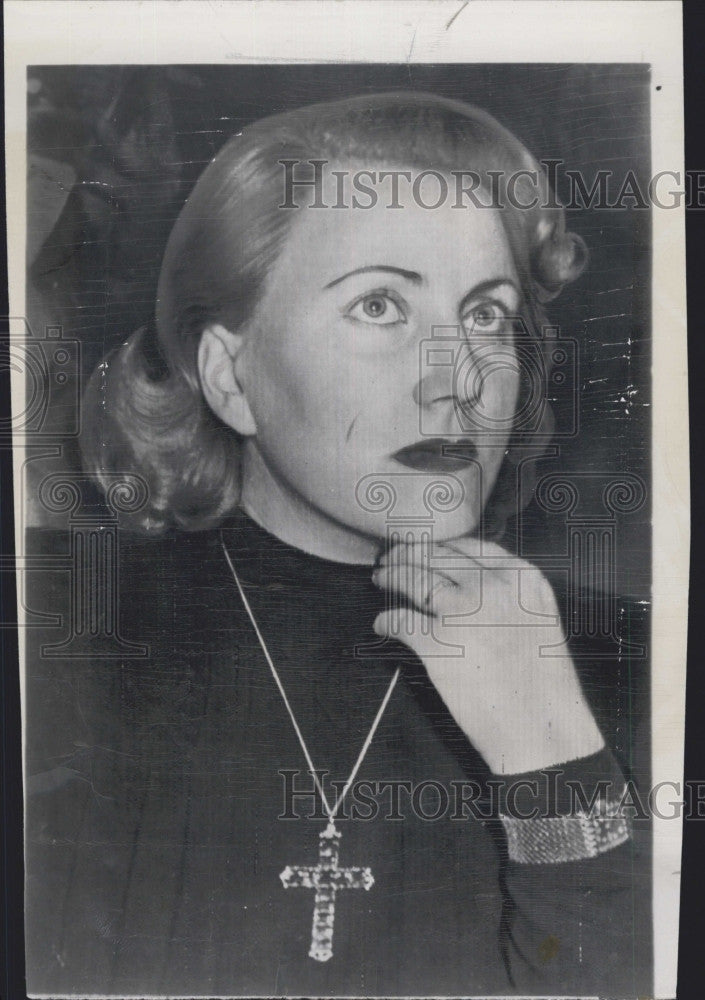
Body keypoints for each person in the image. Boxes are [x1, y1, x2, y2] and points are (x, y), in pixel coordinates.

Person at [24, 91, 650, 997]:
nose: (459, 386)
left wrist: (552, 764)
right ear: (229, 377)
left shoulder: (630, 667)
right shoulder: (57, 635)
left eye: (485, 315)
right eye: (381, 306)